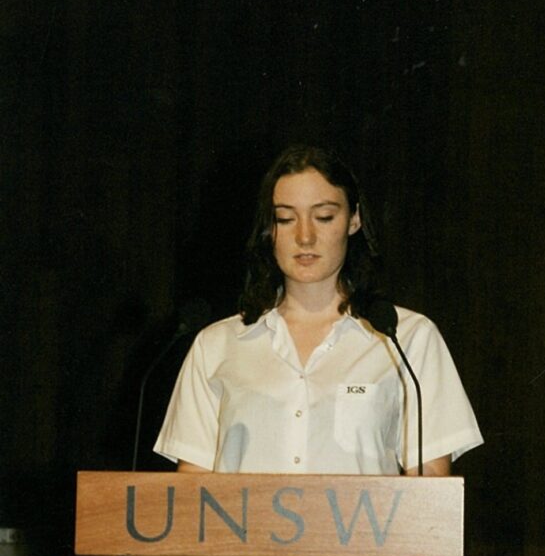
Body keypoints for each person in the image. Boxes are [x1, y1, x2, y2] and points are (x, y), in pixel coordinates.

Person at [154, 145, 482, 476]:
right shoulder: (216, 345)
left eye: (324, 216)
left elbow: (430, 493)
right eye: (285, 218)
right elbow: (189, 499)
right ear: (270, 229)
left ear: (354, 220)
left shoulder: (407, 337)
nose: (305, 236)